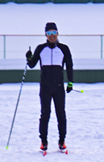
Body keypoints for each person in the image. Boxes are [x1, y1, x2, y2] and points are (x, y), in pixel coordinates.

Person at [26, 22, 74, 153]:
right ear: (45, 35)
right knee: (45, 114)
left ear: (58, 33)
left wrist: (70, 82)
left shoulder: (64, 48)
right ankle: (44, 141)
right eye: (49, 33)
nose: (52, 36)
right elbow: (31, 64)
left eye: (54, 33)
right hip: (45, 87)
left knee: (61, 114)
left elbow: (69, 65)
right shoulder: (41, 48)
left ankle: (62, 141)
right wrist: (29, 57)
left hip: (58, 87)